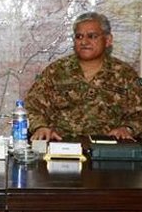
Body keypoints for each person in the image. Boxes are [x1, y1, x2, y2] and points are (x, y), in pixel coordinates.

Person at [26, 12, 142, 141]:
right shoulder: (56, 71)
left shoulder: (125, 74)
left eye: (92, 36)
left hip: (106, 150)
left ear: (108, 40)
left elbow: (138, 113)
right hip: (62, 146)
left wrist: (127, 128)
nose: (84, 42)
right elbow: (32, 107)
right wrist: (40, 127)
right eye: (79, 37)